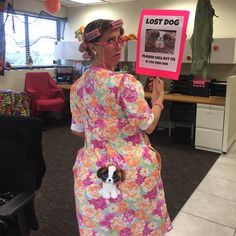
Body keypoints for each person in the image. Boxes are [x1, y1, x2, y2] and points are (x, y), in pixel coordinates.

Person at [70, 18, 172, 236]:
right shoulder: (124, 83)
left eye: (120, 40)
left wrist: (102, 136)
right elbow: (149, 125)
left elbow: (77, 129)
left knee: (102, 226)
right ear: (93, 47)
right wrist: (159, 99)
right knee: (135, 226)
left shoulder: (77, 86)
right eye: (110, 41)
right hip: (130, 171)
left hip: (92, 170)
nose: (118, 45)